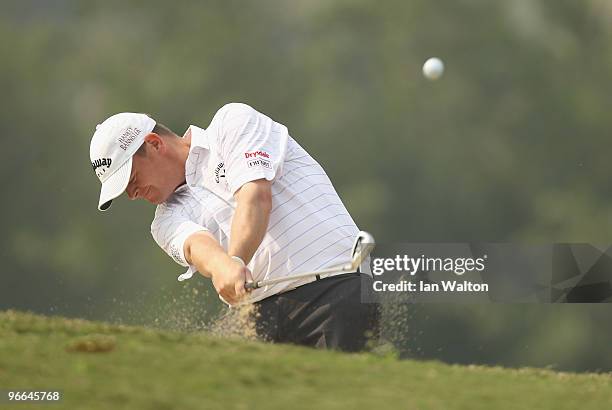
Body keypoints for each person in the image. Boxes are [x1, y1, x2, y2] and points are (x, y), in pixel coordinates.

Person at [89, 102, 379, 351]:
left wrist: (236, 259)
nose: (132, 193)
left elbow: (255, 196)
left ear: (154, 143)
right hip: (258, 317)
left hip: (333, 289)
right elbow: (197, 245)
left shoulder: (232, 122)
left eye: (132, 177)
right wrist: (221, 266)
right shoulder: (164, 221)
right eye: (124, 189)